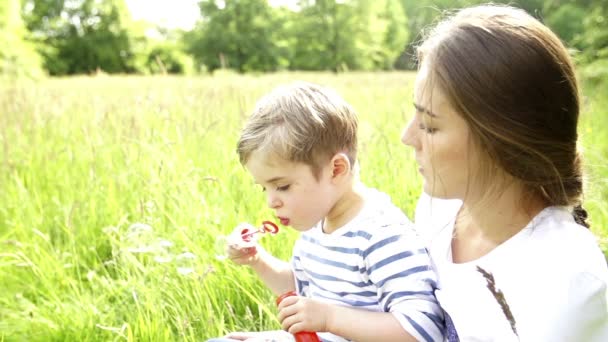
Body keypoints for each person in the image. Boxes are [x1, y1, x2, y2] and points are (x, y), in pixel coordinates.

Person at [401, 4, 608, 341]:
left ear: (500, 141)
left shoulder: (565, 282)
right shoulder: (438, 212)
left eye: (430, 126)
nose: (407, 137)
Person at [210, 82, 445, 342]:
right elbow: (304, 289)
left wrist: (330, 319)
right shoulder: (317, 227)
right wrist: (258, 261)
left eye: (282, 186)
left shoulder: (382, 235)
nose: (271, 202)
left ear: (336, 170)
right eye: (264, 188)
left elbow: (422, 331)